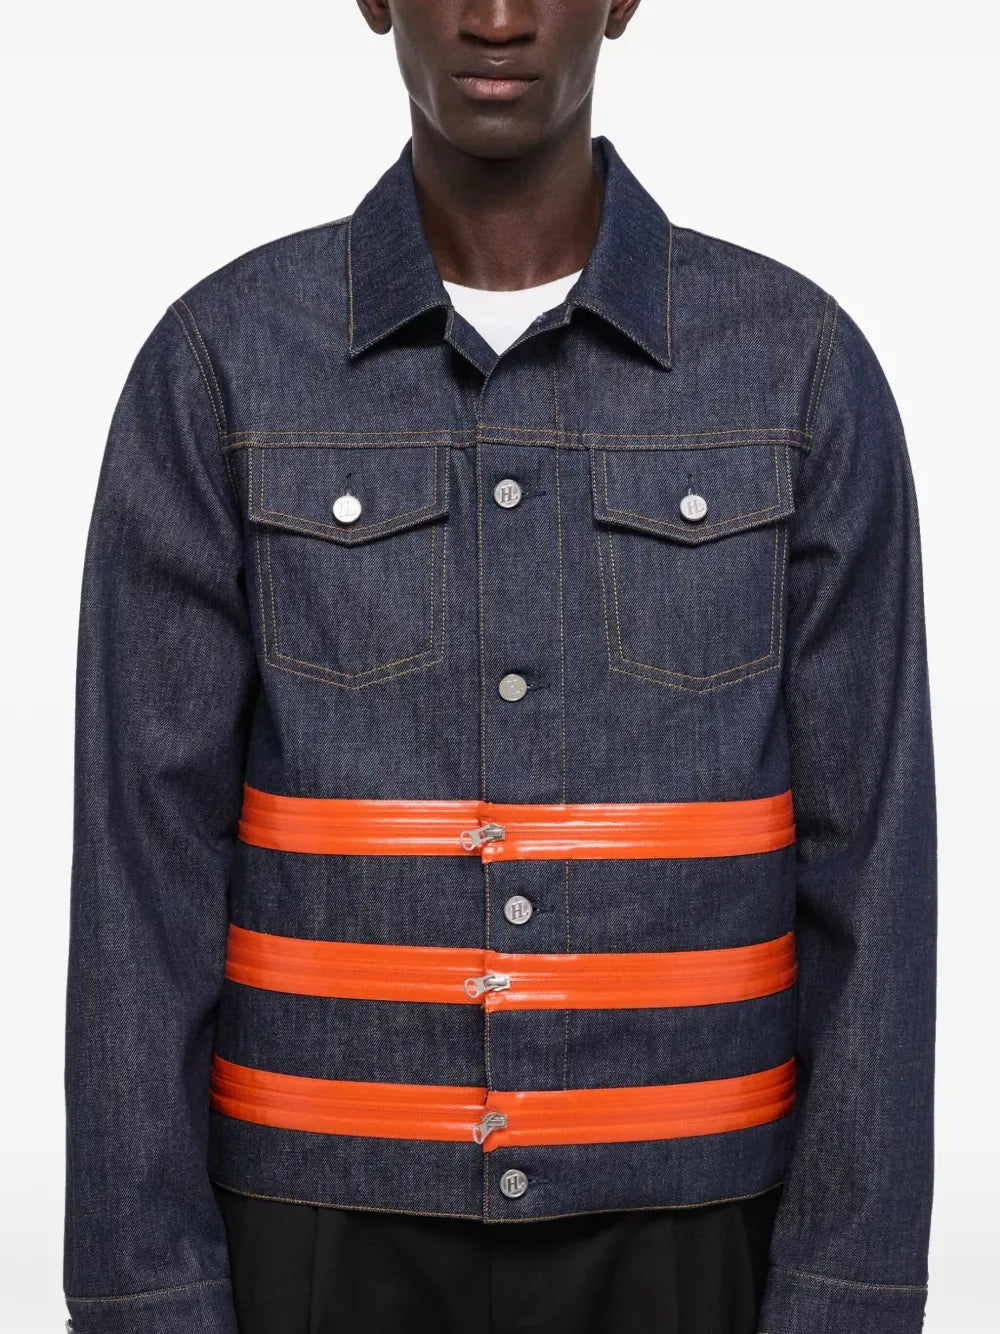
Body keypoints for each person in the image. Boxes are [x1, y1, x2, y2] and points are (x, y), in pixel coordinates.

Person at [62, 3, 937, 1333]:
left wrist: (847, 1298)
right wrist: (146, 1298)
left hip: (695, 1228)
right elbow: (140, 875)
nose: (497, 16)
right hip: (316, 1229)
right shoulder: (223, 369)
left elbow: (873, 869)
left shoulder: (797, 372)